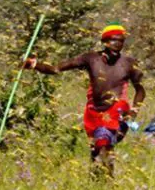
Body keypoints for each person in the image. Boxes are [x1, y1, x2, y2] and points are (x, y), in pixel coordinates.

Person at [23, 22, 145, 176]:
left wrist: (133, 111)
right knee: (96, 151)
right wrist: (34, 65)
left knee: (104, 144)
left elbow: (140, 90)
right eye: (114, 40)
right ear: (105, 42)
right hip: (93, 112)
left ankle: (106, 183)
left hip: (116, 111)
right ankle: (97, 186)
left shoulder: (129, 63)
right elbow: (56, 69)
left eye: (121, 41)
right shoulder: (91, 59)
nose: (118, 44)